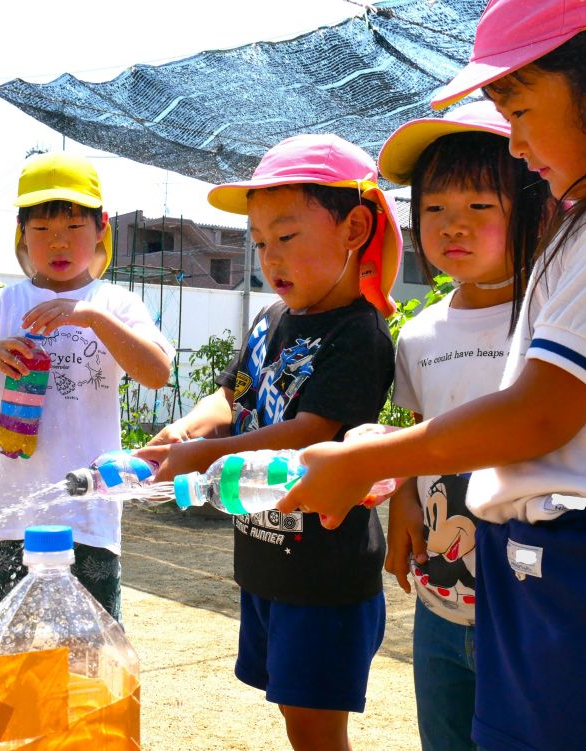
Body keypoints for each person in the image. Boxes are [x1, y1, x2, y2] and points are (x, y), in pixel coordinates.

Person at [279, 2, 586, 749]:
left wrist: (369, 458)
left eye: (518, 107)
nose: (514, 143)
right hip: (541, 570)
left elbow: (541, 413)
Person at [137, 133, 402, 751]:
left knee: (316, 726)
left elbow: (311, 433)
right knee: (292, 712)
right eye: (259, 243)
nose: (269, 258)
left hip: (325, 573)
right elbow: (230, 396)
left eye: (286, 237)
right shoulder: (272, 320)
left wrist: (203, 455)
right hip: (265, 559)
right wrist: (185, 429)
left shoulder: (359, 335)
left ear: (355, 229)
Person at [375, 100, 550, 751]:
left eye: (480, 207)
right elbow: (420, 430)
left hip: (529, 607)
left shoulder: (550, 314)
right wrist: (400, 504)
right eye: (435, 210)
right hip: (439, 600)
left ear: (531, 205)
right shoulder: (419, 333)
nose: (454, 226)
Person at [0, 152, 173, 626]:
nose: (59, 242)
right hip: (7, 514)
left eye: (73, 228)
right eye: (43, 230)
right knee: (4, 649)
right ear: (21, 233)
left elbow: (157, 373)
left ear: (101, 228)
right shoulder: (3, 306)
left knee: (89, 657)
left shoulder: (115, 304)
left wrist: (89, 316)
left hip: (88, 515)